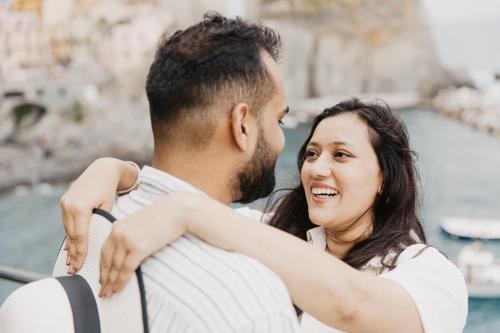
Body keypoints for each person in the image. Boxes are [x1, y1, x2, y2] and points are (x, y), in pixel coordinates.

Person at [61, 99, 468, 332]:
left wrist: (190, 211)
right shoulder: (269, 231)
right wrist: (116, 171)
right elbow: (172, 201)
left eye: (340, 155)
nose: (317, 168)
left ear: (384, 179)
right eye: (311, 153)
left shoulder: (430, 274)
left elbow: (353, 304)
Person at [60, 12, 301, 332]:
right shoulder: (252, 303)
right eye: (278, 121)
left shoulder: (87, 225)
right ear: (242, 125)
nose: (281, 139)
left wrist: (120, 170)